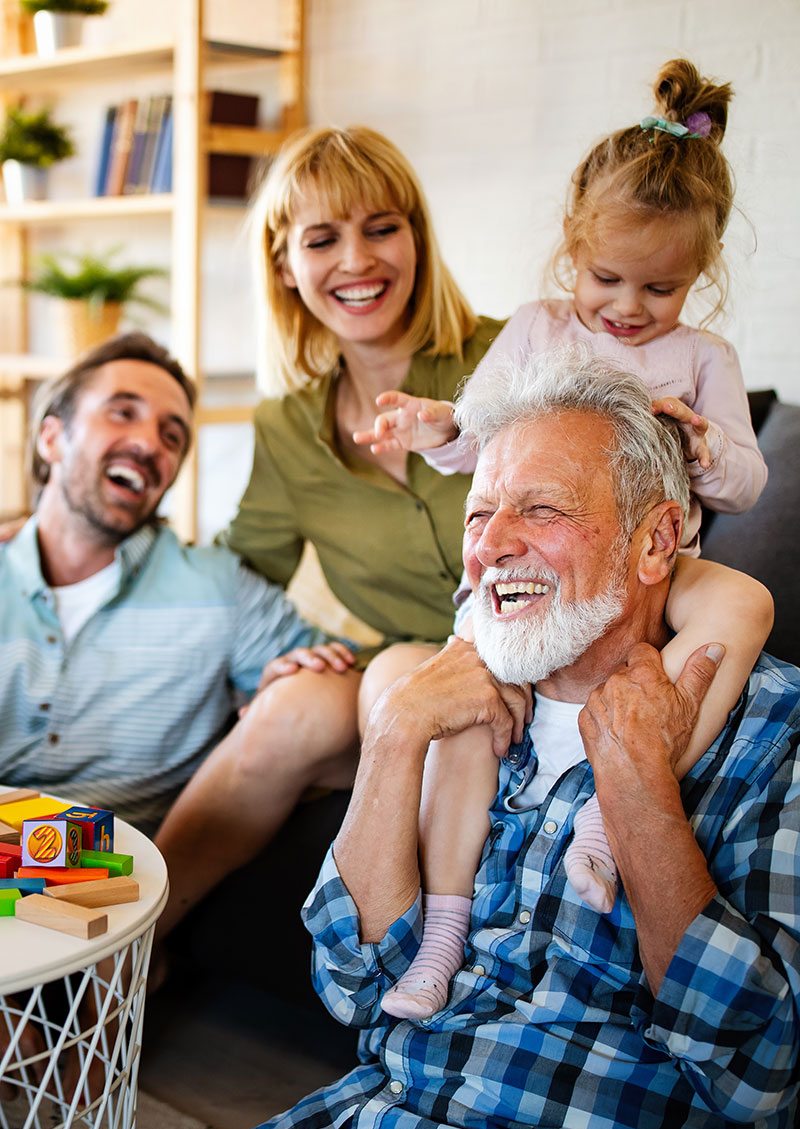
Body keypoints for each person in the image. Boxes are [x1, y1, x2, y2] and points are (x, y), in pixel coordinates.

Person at [196, 350, 800, 1129]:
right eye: (480, 514)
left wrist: (637, 792)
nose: (492, 546)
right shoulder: (465, 703)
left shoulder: (774, 731)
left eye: (541, 509)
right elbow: (353, 984)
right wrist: (398, 729)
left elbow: (758, 1067)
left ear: (658, 541)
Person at [355, 59, 773, 1019]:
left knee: (742, 602)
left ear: (697, 278)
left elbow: (748, 483)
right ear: (570, 254)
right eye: (606, 278)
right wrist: (430, 428)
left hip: (656, 573)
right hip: (532, 587)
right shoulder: (541, 329)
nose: (628, 308)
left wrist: (701, 446)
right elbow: (474, 432)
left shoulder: (704, 358)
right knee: (469, 721)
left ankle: (609, 809)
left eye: (660, 289)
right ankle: (443, 938)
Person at [152, 125, 505, 940]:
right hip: (402, 679)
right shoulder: (287, 427)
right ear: (285, 265)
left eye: (381, 227)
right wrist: (71, 530)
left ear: (416, 236)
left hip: (528, 662)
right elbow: (235, 571)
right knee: (290, 705)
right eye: (323, 239)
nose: (357, 260)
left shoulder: (512, 356)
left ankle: (408, 970)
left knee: (397, 689)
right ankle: (127, 954)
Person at [0, 332, 348, 837]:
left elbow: (349, 703)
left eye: (172, 436)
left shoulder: (219, 587)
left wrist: (299, 683)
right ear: (51, 437)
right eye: (122, 412)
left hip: (126, 894)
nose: (148, 444)